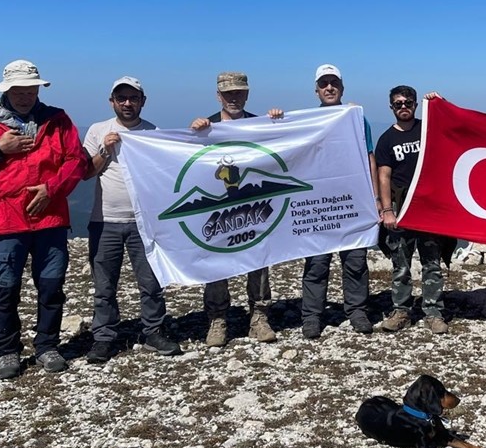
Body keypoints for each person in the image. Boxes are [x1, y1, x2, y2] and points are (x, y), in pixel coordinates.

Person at [0, 60, 87, 380]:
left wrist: (52, 189)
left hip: (49, 216)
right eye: (19, 90)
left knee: (51, 287)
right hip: (4, 220)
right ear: (6, 90)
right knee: (6, 289)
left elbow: (76, 161)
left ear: (38, 88)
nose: (26, 95)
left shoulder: (58, 120)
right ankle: (8, 352)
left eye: (31, 89)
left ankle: (47, 346)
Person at [82, 77, 181, 363]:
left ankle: (153, 332)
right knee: (104, 286)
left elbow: (165, 173)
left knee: (150, 282)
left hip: (144, 222)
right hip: (104, 220)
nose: (127, 103)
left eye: (133, 98)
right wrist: (104, 149)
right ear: (111, 101)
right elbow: (87, 172)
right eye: (121, 98)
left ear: (142, 101)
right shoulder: (98, 130)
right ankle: (103, 338)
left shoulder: (153, 132)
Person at [189, 71, 282, 346]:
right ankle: (217, 319)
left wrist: (277, 122)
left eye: (239, 93)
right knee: (218, 258)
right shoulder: (206, 129)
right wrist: (193, 131)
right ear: (219, 96)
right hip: (222, 208)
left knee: (260, 258)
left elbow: (284, 148)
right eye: (228, 93)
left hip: (255, 207)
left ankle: (259, 316)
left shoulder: (260, 124)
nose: (234, 98)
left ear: (247, 94)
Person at [299, 63, 375, 339]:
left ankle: (357, 311)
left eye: (334, 83)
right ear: (316, 90)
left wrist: (375, 197)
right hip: (318, 207)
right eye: (323, 84)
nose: (329, 87)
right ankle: (312, 317)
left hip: (353, 203)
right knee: (317, 263)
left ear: (342, 87)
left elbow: (369, 157)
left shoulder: (356, 118)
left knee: (355, 259)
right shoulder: (306, 120)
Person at [374, 85, 448, 334]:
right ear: (391, 107)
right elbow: (383, 176)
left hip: (428, 210)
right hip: (401, 208)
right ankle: (401, 311)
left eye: (408, 102)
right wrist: (387, 211)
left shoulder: (427, 130)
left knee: (431, 263)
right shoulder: (386, 139)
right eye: (398, 103)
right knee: (401, 265)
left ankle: (434, 312)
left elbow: (451, 130)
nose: (403, 107)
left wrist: (439, 102)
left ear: (416, 104)